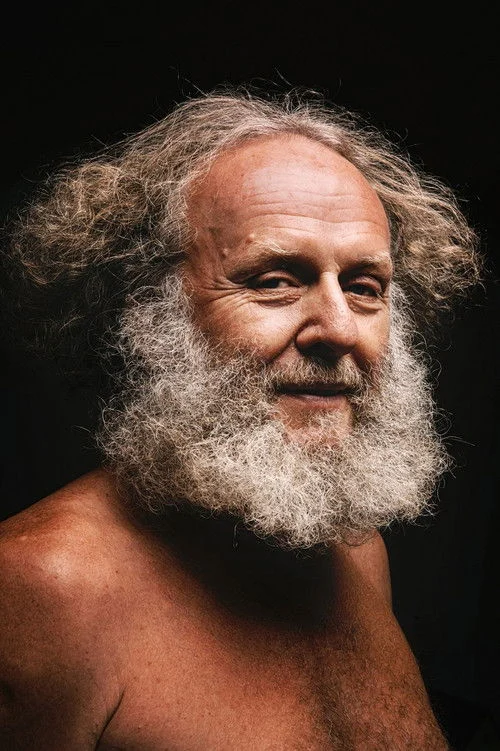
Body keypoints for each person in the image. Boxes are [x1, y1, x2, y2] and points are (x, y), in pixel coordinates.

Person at [0, 90, 480, 749]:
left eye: (365, 287)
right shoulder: (40, 588)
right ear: (146, 308)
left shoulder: (355, 550)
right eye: (275, 280)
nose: (340, 329)